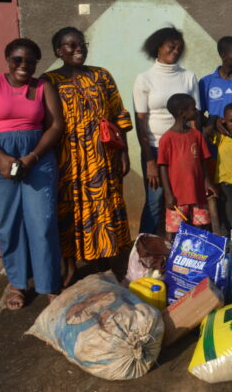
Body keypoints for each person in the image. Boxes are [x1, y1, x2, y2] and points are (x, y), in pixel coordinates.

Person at [0, 38, 64, 309]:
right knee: (9, 225)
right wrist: (2, 157)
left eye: (30, 61)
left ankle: (48, 284)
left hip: (37, 157)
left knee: (42, 222)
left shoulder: (43, 87)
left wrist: (32, 157)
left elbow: (55, 126)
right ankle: (18, 283)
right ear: (7, 59)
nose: (24, 65)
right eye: (18, 59)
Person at [44, 27, 133, 288]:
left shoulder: (101, 76)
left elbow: (119, 115)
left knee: (103, 209)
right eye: (70, 45)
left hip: (102, 157)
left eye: (81, 44)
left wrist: (124, 152)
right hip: (66, 159)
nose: (78, 48)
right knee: (68, 211)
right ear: (58, 51)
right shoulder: (49, 81)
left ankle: (104, 265)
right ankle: (70, 267)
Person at [133, 27, 200, 235]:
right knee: (155, 200)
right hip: (155, 148)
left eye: (179, 48)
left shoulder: (188, 77)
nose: (176, 51)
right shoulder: (144, 79)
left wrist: (196, 153)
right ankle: (146, 254)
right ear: (158, 48)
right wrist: (150, 162)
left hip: (184, 149)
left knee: (186, 199)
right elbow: (140, 123)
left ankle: (183, 251)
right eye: (171, 46)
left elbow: (196, 117)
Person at [158, 94, 216, 241]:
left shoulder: (197, 135)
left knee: (202, 228)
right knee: (175, 232)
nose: (196, 111)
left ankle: (199, 259)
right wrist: (168, 194)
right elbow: (163, 167)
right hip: (177, 196)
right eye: (192, 108)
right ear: (181, 113)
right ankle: (173, 260)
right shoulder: (167, 138)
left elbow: (203, 162)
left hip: (198, 194)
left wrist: (207, 182)